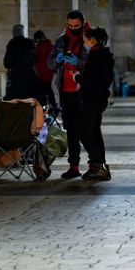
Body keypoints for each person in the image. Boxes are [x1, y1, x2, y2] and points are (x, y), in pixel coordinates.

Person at [48, 10, 89, 179]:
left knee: (86, 130)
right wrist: (57, 60)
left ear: (82, 23)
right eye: (70, 26)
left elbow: (92, 65)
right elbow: (50, 63)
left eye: (76, 26)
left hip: (83, 92)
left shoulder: (88, 39)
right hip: (65, 90)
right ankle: (74, 166)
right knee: (71, 129)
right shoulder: (61, 40)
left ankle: (95, 164)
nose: (73, 28)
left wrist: (77, 63)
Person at [75, 27, 114, 181]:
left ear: (93, 40)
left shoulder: (96, 56)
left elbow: (91, 81)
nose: (84, 44)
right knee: (94, 131)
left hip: (92, 99)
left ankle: (97, 164)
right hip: (99, 98)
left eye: (85, 41)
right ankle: (100, 165)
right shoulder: (104, 55)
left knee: (84, 131)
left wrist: (78, 77)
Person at [3, 24, 37, 101]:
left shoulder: (12, 44)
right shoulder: (30, 43)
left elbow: (7, 63)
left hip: (16, 79)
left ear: (14, 33)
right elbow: (35, 59)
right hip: (30, 77)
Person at [33, 30, 58, 113]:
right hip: (49, 71)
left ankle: (43, 108)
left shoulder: (38, 47)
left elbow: (35, 59)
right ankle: (54, 106)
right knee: (48, 89)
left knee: (42, 91)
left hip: (41, 71)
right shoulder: (51, 45)